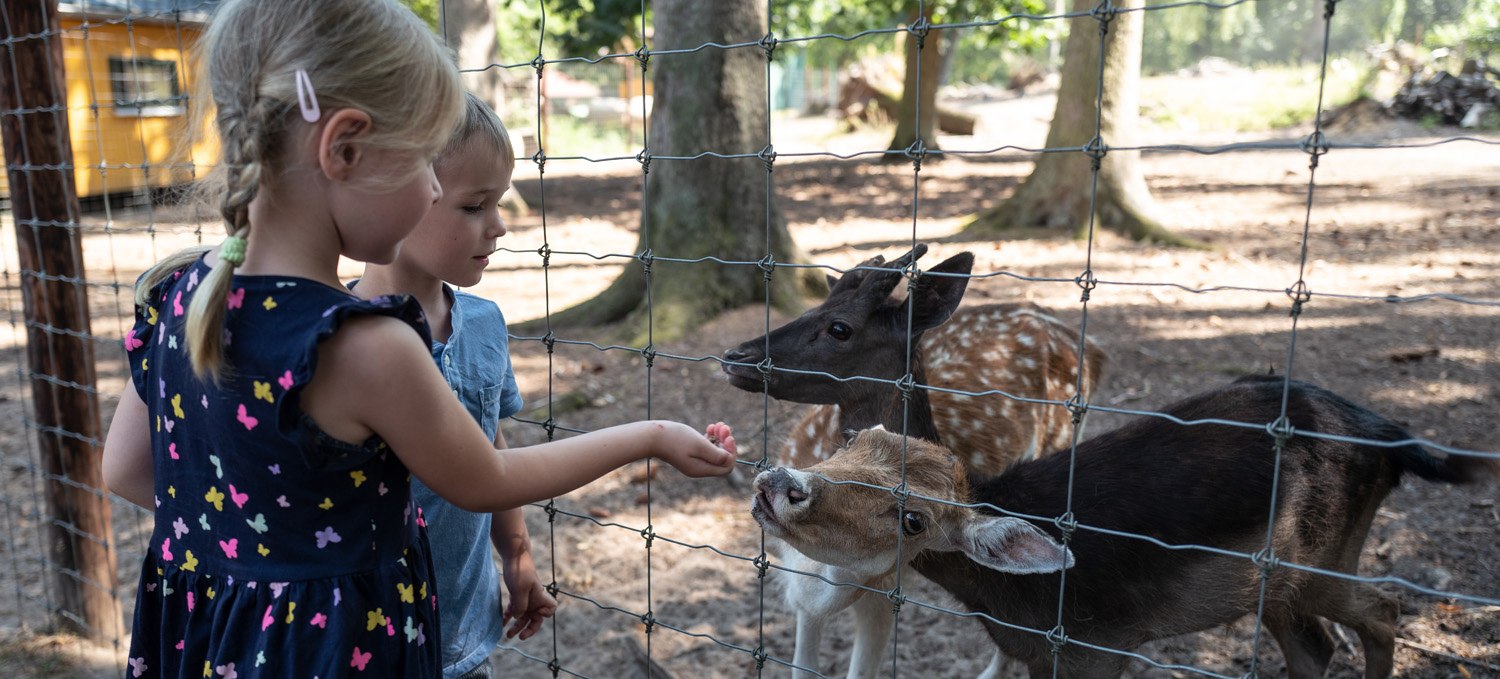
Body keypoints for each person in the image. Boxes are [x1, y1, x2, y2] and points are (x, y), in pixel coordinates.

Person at [99, 1, 737, 677]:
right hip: (336, 651)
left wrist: (257, 551)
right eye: (424, 163)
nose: (433, 185)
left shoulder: (183, 295)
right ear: (345, 149)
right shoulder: (362, 345)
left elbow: (128, 469)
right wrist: (653, 434)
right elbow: (486, 478)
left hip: (213, 638)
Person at [349, 92, 549, 679]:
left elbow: (491, 446)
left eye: (500, 202)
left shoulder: (484, 323)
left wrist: (516, 555)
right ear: (404, 196)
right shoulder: (342, 342)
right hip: (368, 642)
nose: (500, 225)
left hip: (465, 637)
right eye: (473, 206)